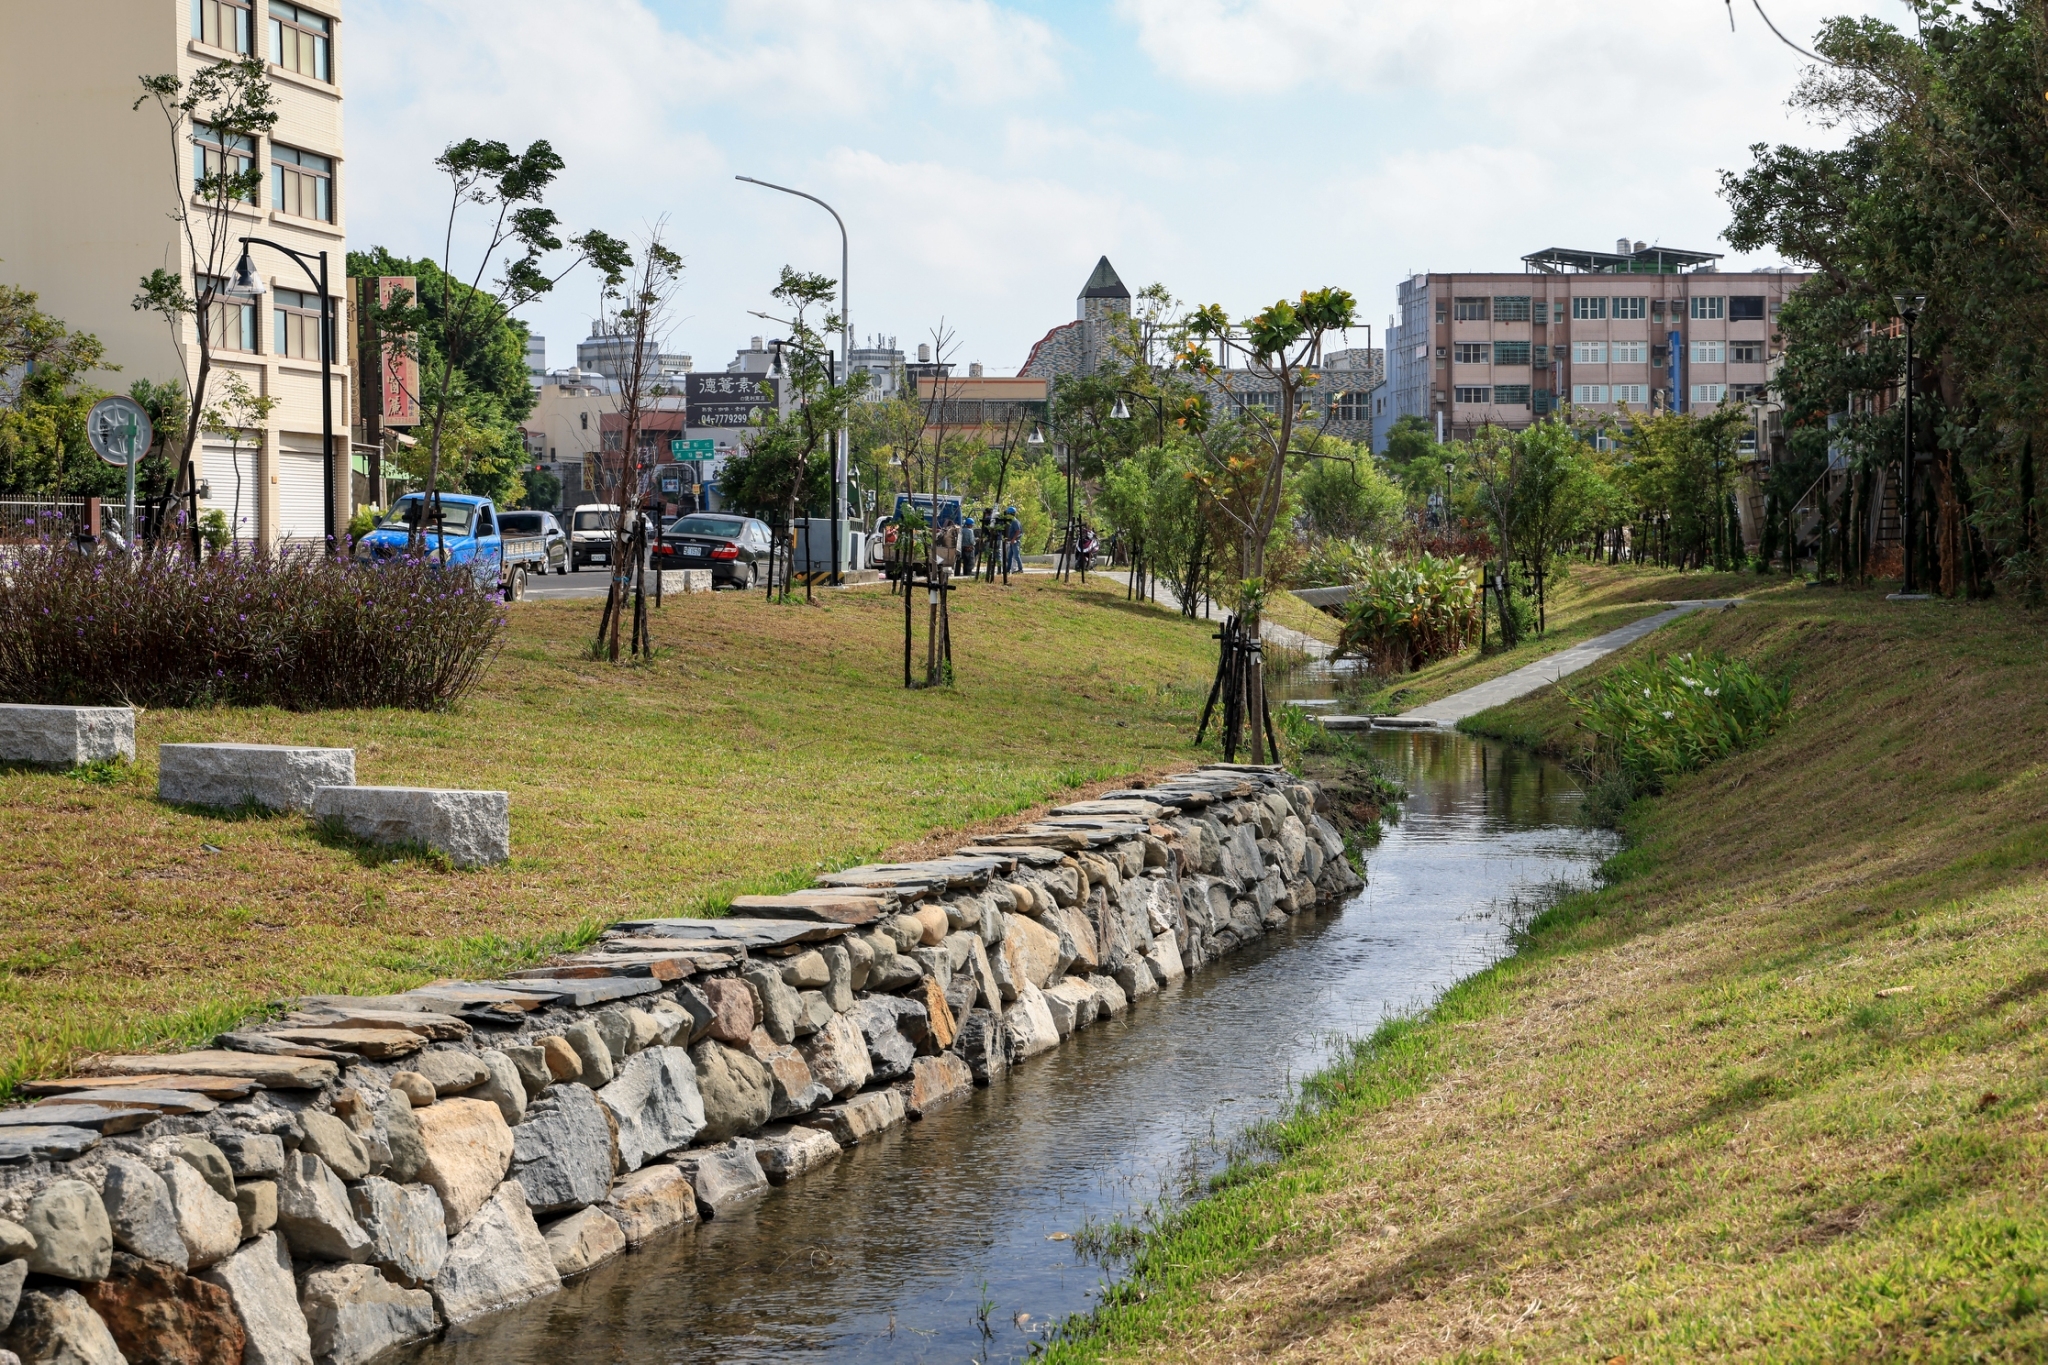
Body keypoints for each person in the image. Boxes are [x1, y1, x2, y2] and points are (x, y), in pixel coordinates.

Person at [1003, 506, 1024, 574]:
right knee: (1009, 556)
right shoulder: (1011, 521)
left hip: (1015, 541)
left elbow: (1018, 531)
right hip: (1011, 541)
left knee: (1016, 555)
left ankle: (1020, 569)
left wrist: (1013, 539)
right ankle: (1007, 570)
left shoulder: (1015, 521)